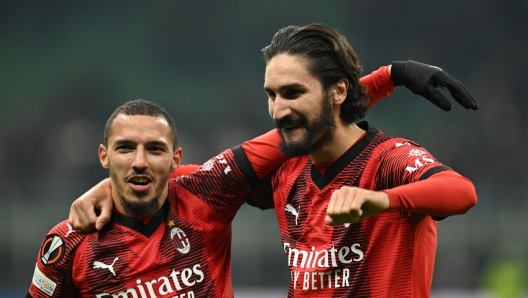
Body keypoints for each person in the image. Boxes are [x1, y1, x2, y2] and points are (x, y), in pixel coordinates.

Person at [63, 25, 478, 298]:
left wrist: (381, 202)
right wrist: (114, 186)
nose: (278, 109)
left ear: (337, 91)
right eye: (271, 95)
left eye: (292, 93)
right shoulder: (285, 169)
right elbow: (194, 182)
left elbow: (461, 192)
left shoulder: (386, 160)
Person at [27, 69, 409, 297]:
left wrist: (387, 78)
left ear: (176, 158)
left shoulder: (205, 191)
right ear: (103, 157)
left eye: (155, 150)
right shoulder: (68, 244)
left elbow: (305, 122)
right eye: (125, 149)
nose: (140, 161)